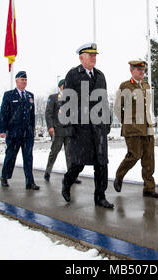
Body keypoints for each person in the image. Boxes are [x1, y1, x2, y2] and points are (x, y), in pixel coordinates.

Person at [61, 42, 114, 209]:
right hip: (80, 127)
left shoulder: (100, 76)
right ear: (81, 57)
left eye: (95, 55)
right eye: (90, 55)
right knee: (79, 162)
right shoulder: (73, 74)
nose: (93, 58)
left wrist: (107, 122)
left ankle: (100, 197)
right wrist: (69, 126)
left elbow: (104, 101)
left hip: (98, 127)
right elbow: (67, 101)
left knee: (101, 162)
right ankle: (67, 182)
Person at [113, 60, 158, 198]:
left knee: (149, 159)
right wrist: (126, 121)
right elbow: (117, 107)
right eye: (139, 69)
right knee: (134, 155)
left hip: (147, 127)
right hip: (133, 128)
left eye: (143, 70)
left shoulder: (146, 85)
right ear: (131, 71)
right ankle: (119, 176)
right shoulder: (126, 86)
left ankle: (149, 188)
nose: (142, 72)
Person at [0, 71, 40, 190]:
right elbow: (3, 113)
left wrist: (32, 129)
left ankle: (30, 182)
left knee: (28, 157)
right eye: (22, 80)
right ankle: (4, 176)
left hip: (27, 133)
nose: (24, 82)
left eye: (26, 80)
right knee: (10, 156)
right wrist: (2, 129)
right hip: (14, 132)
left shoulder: (30, 96)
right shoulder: (9, 95)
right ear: (16, 81)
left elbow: (32, 115)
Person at [44, 79, 81, 184]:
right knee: (54, 152)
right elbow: (49, 113)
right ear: (60, 86)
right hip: (58, 130)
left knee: (70, 154)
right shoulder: (53, 97)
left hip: (69, 131)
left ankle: (71, 176)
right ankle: (48, 171)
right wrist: (50, 127)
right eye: (64, 85)